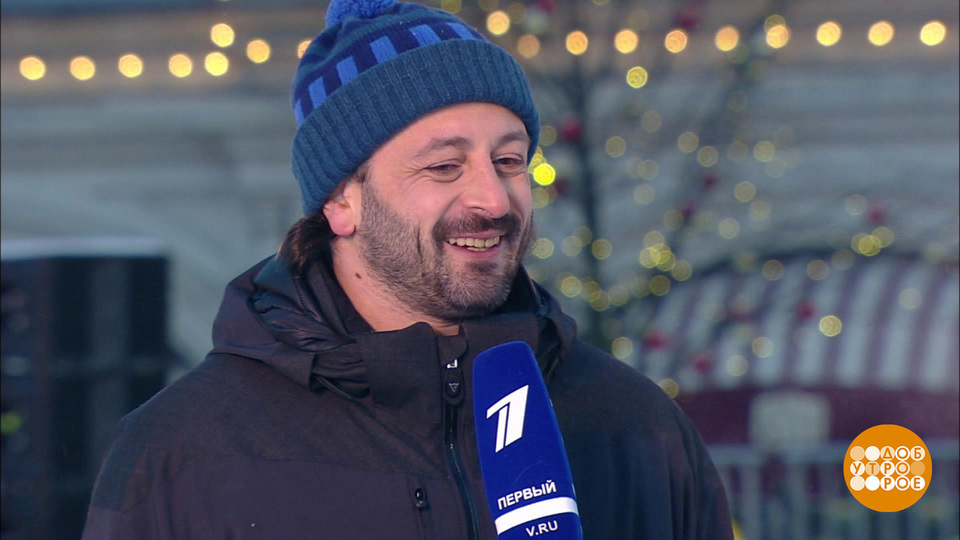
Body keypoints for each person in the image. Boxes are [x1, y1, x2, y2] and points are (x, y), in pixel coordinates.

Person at [82, 1, 734, 538]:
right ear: (342, 200)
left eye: (509, 161)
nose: (492, 199)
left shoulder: (636, 427)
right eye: (444, 166)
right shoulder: (186, 453)